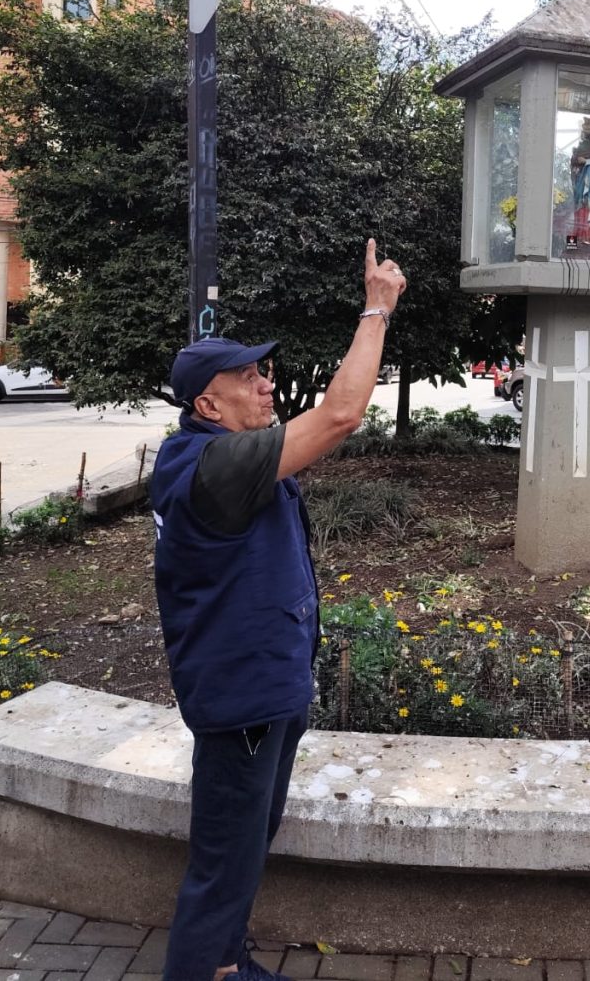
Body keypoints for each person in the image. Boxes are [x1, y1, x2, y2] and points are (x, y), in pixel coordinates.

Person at [152, 239, 407, 981]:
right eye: (248, 377)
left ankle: (225, 963)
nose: (266, 385)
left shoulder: (218, 454)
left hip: (262, 690)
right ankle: (202, 968)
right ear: (207, 405)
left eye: (263, 372)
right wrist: (376, 309)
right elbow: (341, 413)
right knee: (223, 863)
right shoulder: (216, 465)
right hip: (243, 700)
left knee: (245, 843)